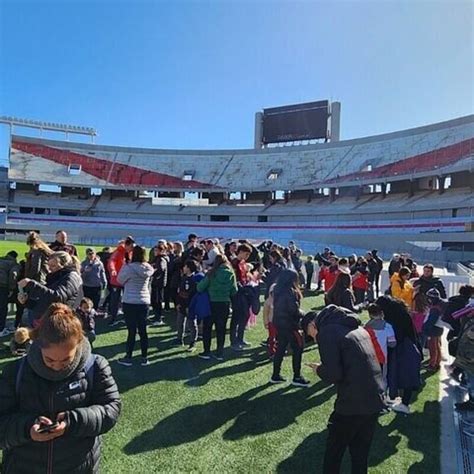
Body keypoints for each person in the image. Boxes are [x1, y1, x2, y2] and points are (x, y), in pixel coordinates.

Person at [0, 302, 121, 473]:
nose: (57, 366)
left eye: (66, 360)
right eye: (49, 360)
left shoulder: (96, 366)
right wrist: (28, 428)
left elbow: (111, 410)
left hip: (78, 466)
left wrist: (74, 420)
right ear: (37, 345)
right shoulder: (15, 371)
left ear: (79, 344)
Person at [302, 305, 384, 474]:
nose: (314, 339)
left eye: (311, 334)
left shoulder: (327, 332)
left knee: (334, 452)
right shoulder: (356, 327)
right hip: (374, 397)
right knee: (360, 453)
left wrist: (319, 369)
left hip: (352, 403)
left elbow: (333, 374)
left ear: (312, 324)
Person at [376, 295, 422, 414]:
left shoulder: (389, 318)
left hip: (398, 348)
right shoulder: (403, 312)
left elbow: (392, 337)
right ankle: (403, 402)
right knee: (406, 376)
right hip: (410, 346)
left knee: (395, 375)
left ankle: (402, 404)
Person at [18, 251, 82, 327]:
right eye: (49, 266)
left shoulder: (71, 277)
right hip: (50, 321)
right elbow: (46, 300)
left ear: (64, 265)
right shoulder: (55, 277)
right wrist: (27, 302)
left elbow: (58, 297)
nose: (49, 269)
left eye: (53, 266)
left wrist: (32, 284)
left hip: (62, 323)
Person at [270, 269, 309, 387]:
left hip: (279, 323)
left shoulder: (276, 290)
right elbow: (294, 310)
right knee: (298, 348)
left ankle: (275, 375)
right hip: (290, 324)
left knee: (281, 347)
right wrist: (305, 314)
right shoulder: (290, 292)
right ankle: (297, 376)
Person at [117, 245, 155, 366]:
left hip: (130, 301)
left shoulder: (128, 267)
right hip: (144, 301)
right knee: (143, 330)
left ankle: (129, 357)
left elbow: (120, 280)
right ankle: (144, 357)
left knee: (131, 331)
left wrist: (125, 265)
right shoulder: (148, 268)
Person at [197, 254, 237, 360]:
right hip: (224, 303)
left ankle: (206, 351)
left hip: (211, 303)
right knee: (221, 329)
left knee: (207, 328)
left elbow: (200, 287)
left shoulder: (212, 273)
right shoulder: (231, 273)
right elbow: (234, 290)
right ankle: (220, 352)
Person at [365, 303, 397, 391]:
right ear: (381, 313)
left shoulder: (365, 327)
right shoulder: (388, 327)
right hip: (382, 357)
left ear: (370, 314)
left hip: (369, 357)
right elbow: (392, 344)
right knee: (382, 378)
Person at [107, 236, 135, 326]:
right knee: (115, 299)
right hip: (117, 280)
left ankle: (125, 317)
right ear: (127, 245)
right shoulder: (119, 251)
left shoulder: (130, 253)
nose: (132, 249)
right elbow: (112, 261)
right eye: (131, 246)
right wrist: (113, 270)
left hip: (126, 280)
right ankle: (113, 318)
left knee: (127, 299)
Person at [230, 243, 253, 350]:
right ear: (241, 252)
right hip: (236, 293)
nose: (247, 256)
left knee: (245, 315)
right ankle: (233, 341)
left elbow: (245, 276)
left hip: (244, 291)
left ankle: (240, 338)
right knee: (236, 317)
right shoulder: (234, 263)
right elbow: (234, 279)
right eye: (246, 254)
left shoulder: (243, 263)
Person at [175, 260, 200, 351]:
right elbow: (179, 292)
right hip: (182, 304)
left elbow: (193, 295)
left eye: (185, 266)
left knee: (191, 324)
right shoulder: (183, 278)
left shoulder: (194, 279)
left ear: (189, 268)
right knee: (179, 322)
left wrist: (189, 306)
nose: (183, 268)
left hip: (190, 306)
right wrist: (178, 303)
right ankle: (179, 339)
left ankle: (193, 342)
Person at [422, 288, 446, 372]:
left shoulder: (435, 308)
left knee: (433, 348)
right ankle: (437, 363)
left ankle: (432, 365)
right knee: (437, 346)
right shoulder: (440, 304)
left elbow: (431, 321)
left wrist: (424, 328)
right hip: (438, 329)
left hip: (433, 330)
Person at [0, 250, 19, 337]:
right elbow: (13, 275)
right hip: (3, 287)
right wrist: (11, 288)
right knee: (2, 308)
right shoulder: (13, 264)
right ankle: (1, 329)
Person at [150, 243, 168, 327]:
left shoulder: (161, 259)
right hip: (156, 283)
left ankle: (159, 318)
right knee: (154, 300)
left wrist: (153, 273)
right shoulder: (157, 259)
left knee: (158, 300)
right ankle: (156, 316)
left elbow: (160, 270)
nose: (155, 252)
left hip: (159, 284)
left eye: (156, 250)